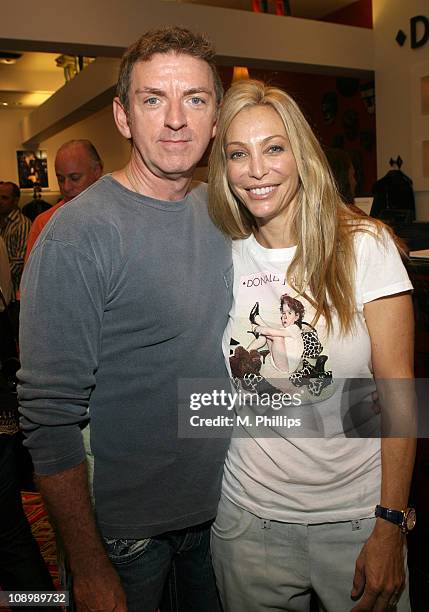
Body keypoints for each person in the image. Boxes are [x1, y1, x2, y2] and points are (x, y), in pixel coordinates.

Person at [18, 27, 231, 612]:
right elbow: (48, 416)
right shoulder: (78, 234)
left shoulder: (225, 213)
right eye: (152, 99)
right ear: (123, 116)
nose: (175, 120)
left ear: (216, 117)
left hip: (226, 515)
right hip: (126, 536)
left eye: (195, 98)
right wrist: (86, 565)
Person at [208, 80, 415, 612]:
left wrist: (390, 523)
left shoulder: (363, 246)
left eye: (274, 147)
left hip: (357, 518)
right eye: (238, 153)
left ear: (301, 154)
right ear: (224, 168)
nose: (257, 169)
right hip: (249, 521)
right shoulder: (222, 254)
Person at [24, 139, 103, 261]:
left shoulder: (118, 214)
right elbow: (33, 278)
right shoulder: (44, 224)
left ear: (97, 171)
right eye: (60, 179)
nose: (66, 187)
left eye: (75, 178)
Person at [0, 182, 31, 302]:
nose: (0, 201)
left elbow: (19, 262)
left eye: (5, 198)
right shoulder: (3, 221)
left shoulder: (22, 225)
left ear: (16, 200)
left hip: (14, 297)